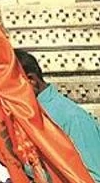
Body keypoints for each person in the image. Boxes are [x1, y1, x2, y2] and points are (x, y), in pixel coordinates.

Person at [15, 49, 100, 182]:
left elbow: (93, 178)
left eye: (8, 89)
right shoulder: (28, 115)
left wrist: (18, 162)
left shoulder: (72, 118)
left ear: (31, 80)